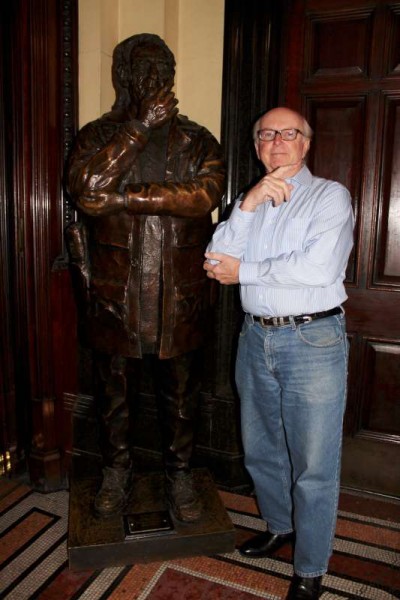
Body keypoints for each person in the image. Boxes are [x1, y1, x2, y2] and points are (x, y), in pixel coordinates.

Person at [66, 33, 225, 523]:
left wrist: (126, 199)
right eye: (144, 71)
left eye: (163, 70)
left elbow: (205, 194)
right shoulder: (98, 136)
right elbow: (87, 190)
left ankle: (180, 476)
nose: (155, 81)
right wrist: (136, 130)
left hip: (180, 295)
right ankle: (117, 472)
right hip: (117, 294)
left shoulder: (198, 140)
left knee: (181, 398)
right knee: (115, 397)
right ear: (124, 78)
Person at [204, 107, 354, 599]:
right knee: (263, 447)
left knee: (313, 462)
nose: (277, 141)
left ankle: (310, 568)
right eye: (266, 134)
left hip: (312, 341)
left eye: (288, 133)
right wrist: (245, 205)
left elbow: (316, 268)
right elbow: (214, 259)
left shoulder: (329, 196)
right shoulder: (254, 199)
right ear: (256, 146)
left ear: (305, 144)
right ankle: (280, 525)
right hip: (255, 337)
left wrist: (244, 270)